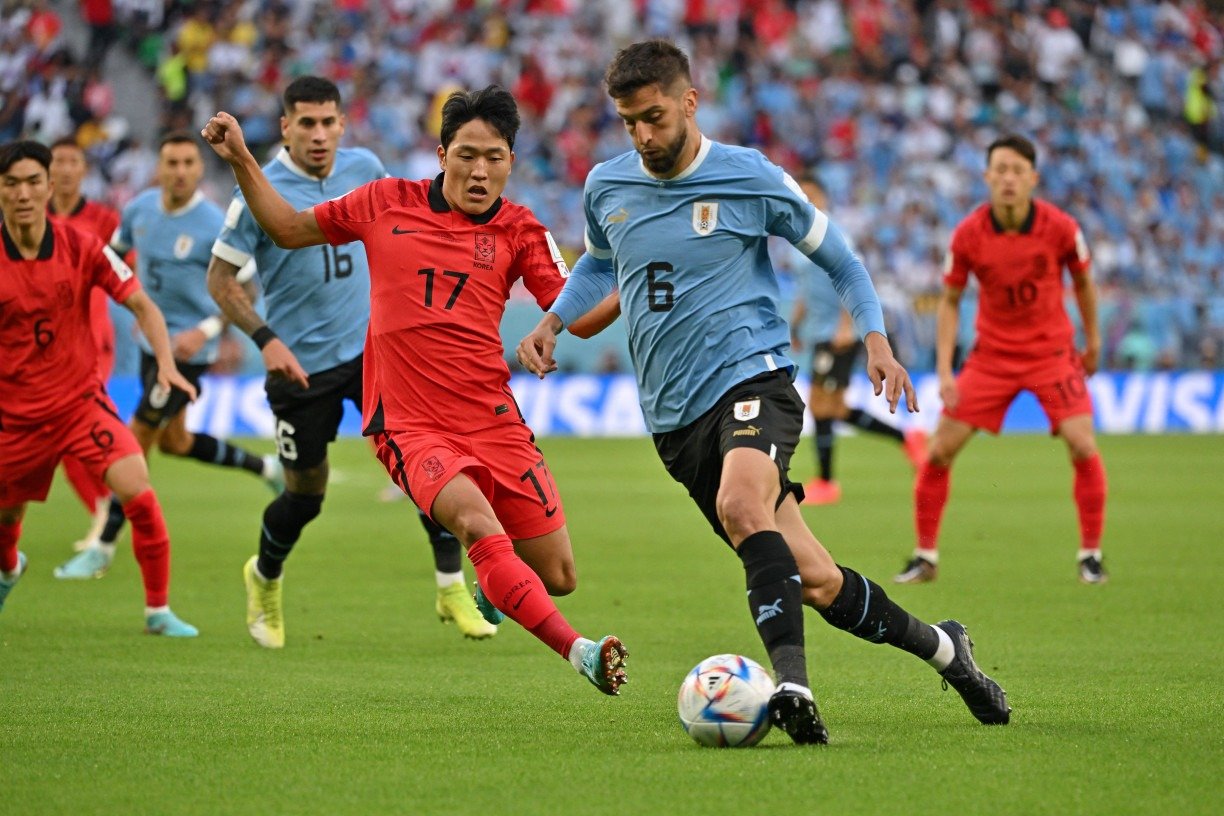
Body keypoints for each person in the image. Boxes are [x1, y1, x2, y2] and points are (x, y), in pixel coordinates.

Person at [518, 40, 1007, 739]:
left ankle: (794, 689)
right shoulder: (608, 187)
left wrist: (875, 338)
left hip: (755, 378)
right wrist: (553, 321)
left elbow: (841, 259)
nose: (644, 135)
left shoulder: (749, 178)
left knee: (742, 504)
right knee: (814, 580)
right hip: (674, 421)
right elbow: (600, 265)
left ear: (690, 102)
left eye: (655, 117)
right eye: (629, 122)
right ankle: (945, 649)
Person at [201, 84, 628, 694]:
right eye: (467, 155)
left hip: (493, 419)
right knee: (478, 527)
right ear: (441, 153)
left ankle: (498, 580)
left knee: (558, 574)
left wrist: (634, 286)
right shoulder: (382, 203)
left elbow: (578, 315)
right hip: (410, 424)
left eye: (495, 158)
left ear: (511, 161)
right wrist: (242, 157)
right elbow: (289, 229)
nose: (480, 172)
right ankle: (579, 649)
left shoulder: (521, 228)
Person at [206, 76, 494, 647]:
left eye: (328, 122)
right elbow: (221, 281)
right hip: (298, 366)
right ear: (285, 126)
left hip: (374, 355)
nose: (319, 134)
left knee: (429, 467)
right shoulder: (257, 191)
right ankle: (263, 576)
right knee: (305, 497)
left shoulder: (366, 167)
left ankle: (449, 586)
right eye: (305, 123)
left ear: (342, 124)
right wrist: (267, 340)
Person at [53, 133, 283, 580]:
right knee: (174, 442)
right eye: (171, 163)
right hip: (148, 345)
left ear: (199, 170)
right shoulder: (139, 210)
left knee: (135, 437)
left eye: (187, 163)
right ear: (158, 168)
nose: (179, 171)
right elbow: (114, 261)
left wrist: (206, 330)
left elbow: (245, 285)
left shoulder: (215, 221)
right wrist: (132, 305)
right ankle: (266, 467)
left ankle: (102, 545)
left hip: (187, 351)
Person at [0, 140, 197, 636]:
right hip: (14, 417)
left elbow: (142, 305)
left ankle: (158, 611)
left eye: (31, 181)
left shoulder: (82, 246)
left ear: (49, 186)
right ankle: (9, 569)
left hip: (79, 404)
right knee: (7, 519)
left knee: (139, 490)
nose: (23, 193)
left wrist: (168, 363)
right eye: (11, 183)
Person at [896, 134, 1107, 586]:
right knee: (939, 450)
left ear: (1033, 178)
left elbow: (1085, 284)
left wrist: (1093, 341)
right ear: (987, 176)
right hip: (992, 356)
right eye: (1001, 170)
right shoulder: (969, 233)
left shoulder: (1062, 228)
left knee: (1083, 444)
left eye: (1018, 171)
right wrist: (945, 368)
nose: (1009, 179)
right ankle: (925, 556)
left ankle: (1090, 555)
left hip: (1052, 352)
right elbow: (950, 301)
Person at [788, 175, 927, 505]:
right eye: (801, 195)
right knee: (832, 407)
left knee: (822, 404)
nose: (806, 201)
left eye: (812, 195)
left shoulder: (835, 234)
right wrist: (795, 325)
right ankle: (906, 438)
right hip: (818, 331)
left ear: (823, 197)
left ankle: (826, 481)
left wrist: (846, 326)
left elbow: (850, 279)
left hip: (838, 333)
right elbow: (808, 290)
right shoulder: (797, 240)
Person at [46, 137, 120, 552]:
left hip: (93, 342)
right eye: (59, 161)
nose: (67, 169)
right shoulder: (31, 219)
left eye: (74, 161)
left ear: (84, 170)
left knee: (74, 434)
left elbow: (127, 268)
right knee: (65, 439)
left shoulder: (104, 220)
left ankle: (104, 515)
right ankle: (105, 511)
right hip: (46, 348)